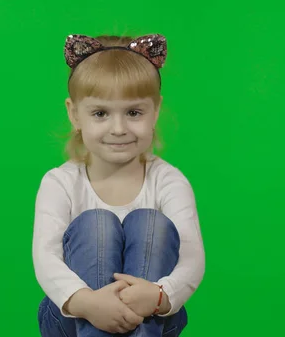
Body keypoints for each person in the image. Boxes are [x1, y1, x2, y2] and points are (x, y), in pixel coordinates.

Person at [33, 33, 205, 337]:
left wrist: (159, 295)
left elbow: (191, 260)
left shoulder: (169, 181)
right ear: (74, 114)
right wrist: (87, 303)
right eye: (100, 113)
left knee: (150, 222)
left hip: (151, 314)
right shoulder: (60, 183)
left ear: (156, 111)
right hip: (74, 316)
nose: (119, 128)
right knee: (96, 224)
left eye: (134, 112)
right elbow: (46, 259)